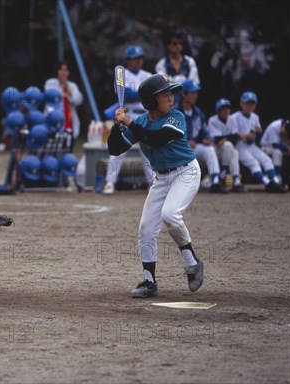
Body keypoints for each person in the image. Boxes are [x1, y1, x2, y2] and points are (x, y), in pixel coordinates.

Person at [107, 74, 203, 298]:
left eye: (171, 93)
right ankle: (149, 282)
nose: (171, 98)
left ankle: (192, 263)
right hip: (161, 179)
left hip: (186, 172)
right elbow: (115, 148)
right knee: (146, 228)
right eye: (164, 95)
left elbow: (157, 138)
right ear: (151, 102)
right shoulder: (140, 122)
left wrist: (129, 123)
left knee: (170, 215)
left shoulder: (176, 117)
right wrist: (117, 125)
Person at [103, 45, 154, 195]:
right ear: (128, 60)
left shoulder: (148, 74)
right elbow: (126, 95)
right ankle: (110, 182)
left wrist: (138, 93)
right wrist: (142, 93)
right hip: (128, 114)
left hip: (144, 116)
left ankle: (153, 183)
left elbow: (150, 94)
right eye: (134, 59)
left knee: (148, 150)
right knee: (118, 150)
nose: (138, 61)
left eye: (140, 58)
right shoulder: (122, 74)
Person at [231, 91, 286, 193]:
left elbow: (258, 130)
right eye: (247, 103)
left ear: (255, 105)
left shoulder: (255, 117)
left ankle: (276, 182)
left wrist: (256, 132)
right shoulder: (234, 117)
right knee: (254, 163)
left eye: (252, 104)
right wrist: (247, 135)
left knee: (266, 160)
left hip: (251, 145)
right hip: (240, 146)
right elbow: (234, 134)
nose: (249, 106)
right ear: (241, 104)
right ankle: (267, 183)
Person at [178, 80, 227, 193]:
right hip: (179, 149)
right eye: (192, 93)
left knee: (209, 149)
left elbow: (204, 132)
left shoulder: (198, 112)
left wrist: (205, 139)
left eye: (196, 93)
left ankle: (215, 182)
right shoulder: (175, 111)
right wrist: (184, 141)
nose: (195, 96)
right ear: (183, 94)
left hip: (193, 148)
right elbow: (169, 134)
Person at [207, 98, 247, 192]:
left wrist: (225, 138)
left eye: (227, 109)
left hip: (226, 150)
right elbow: (217, 140)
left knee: (234, 152)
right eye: (223, 109)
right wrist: (229, 138)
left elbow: (235, 138)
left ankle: (236, 182)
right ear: (218, 111)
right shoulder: (212, 120)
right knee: (228, 145)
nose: (226, 111)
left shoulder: (231, 119)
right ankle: (222, 176)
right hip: (215, 150)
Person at [44, 60, 83, 151]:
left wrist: (67, 88)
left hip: (68, 122)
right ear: (57, 71)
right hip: (53, 122)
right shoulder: (50, 83)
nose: (63, 73)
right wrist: (61, 90)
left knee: (68, 149)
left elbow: (77, 100)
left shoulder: (72, 86)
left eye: (66, 70)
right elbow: (51, 97)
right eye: (61, 70)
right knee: (53, 150)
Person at [155, 30, 200, 107]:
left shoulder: (189, 61)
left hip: (187, 100)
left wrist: (175, 80)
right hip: (170, 101)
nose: (178, 46)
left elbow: (195, 81)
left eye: (180, 43)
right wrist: (183, 81)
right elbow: (163, 84)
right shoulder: (161, 64)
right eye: (175, 43)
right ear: (168, 45)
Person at [260, 118, 290, 185]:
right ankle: (277, 176)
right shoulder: (274, 126)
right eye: (285, 133)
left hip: (281, 146)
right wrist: (289, 150)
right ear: (284, 126)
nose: (284, 135)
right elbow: (275, 145)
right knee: (277, 152)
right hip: (266, 147)